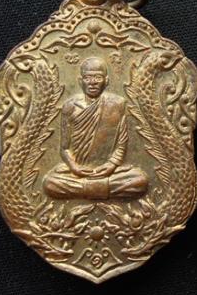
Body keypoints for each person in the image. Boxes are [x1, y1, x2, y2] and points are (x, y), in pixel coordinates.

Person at [43, 57, 148, 200]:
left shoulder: (117, 104)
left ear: (106, 81)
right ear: (80, 81)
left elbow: (122, 143)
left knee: (140, 180)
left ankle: (84, 190)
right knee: (50, 183)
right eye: (88, 78)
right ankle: (102, 189)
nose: (92, 82)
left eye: (97, 77)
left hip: (110, 171)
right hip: (78, 173)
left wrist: (111, 165)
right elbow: (64, 148)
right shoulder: (70, 106)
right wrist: (74, 167)